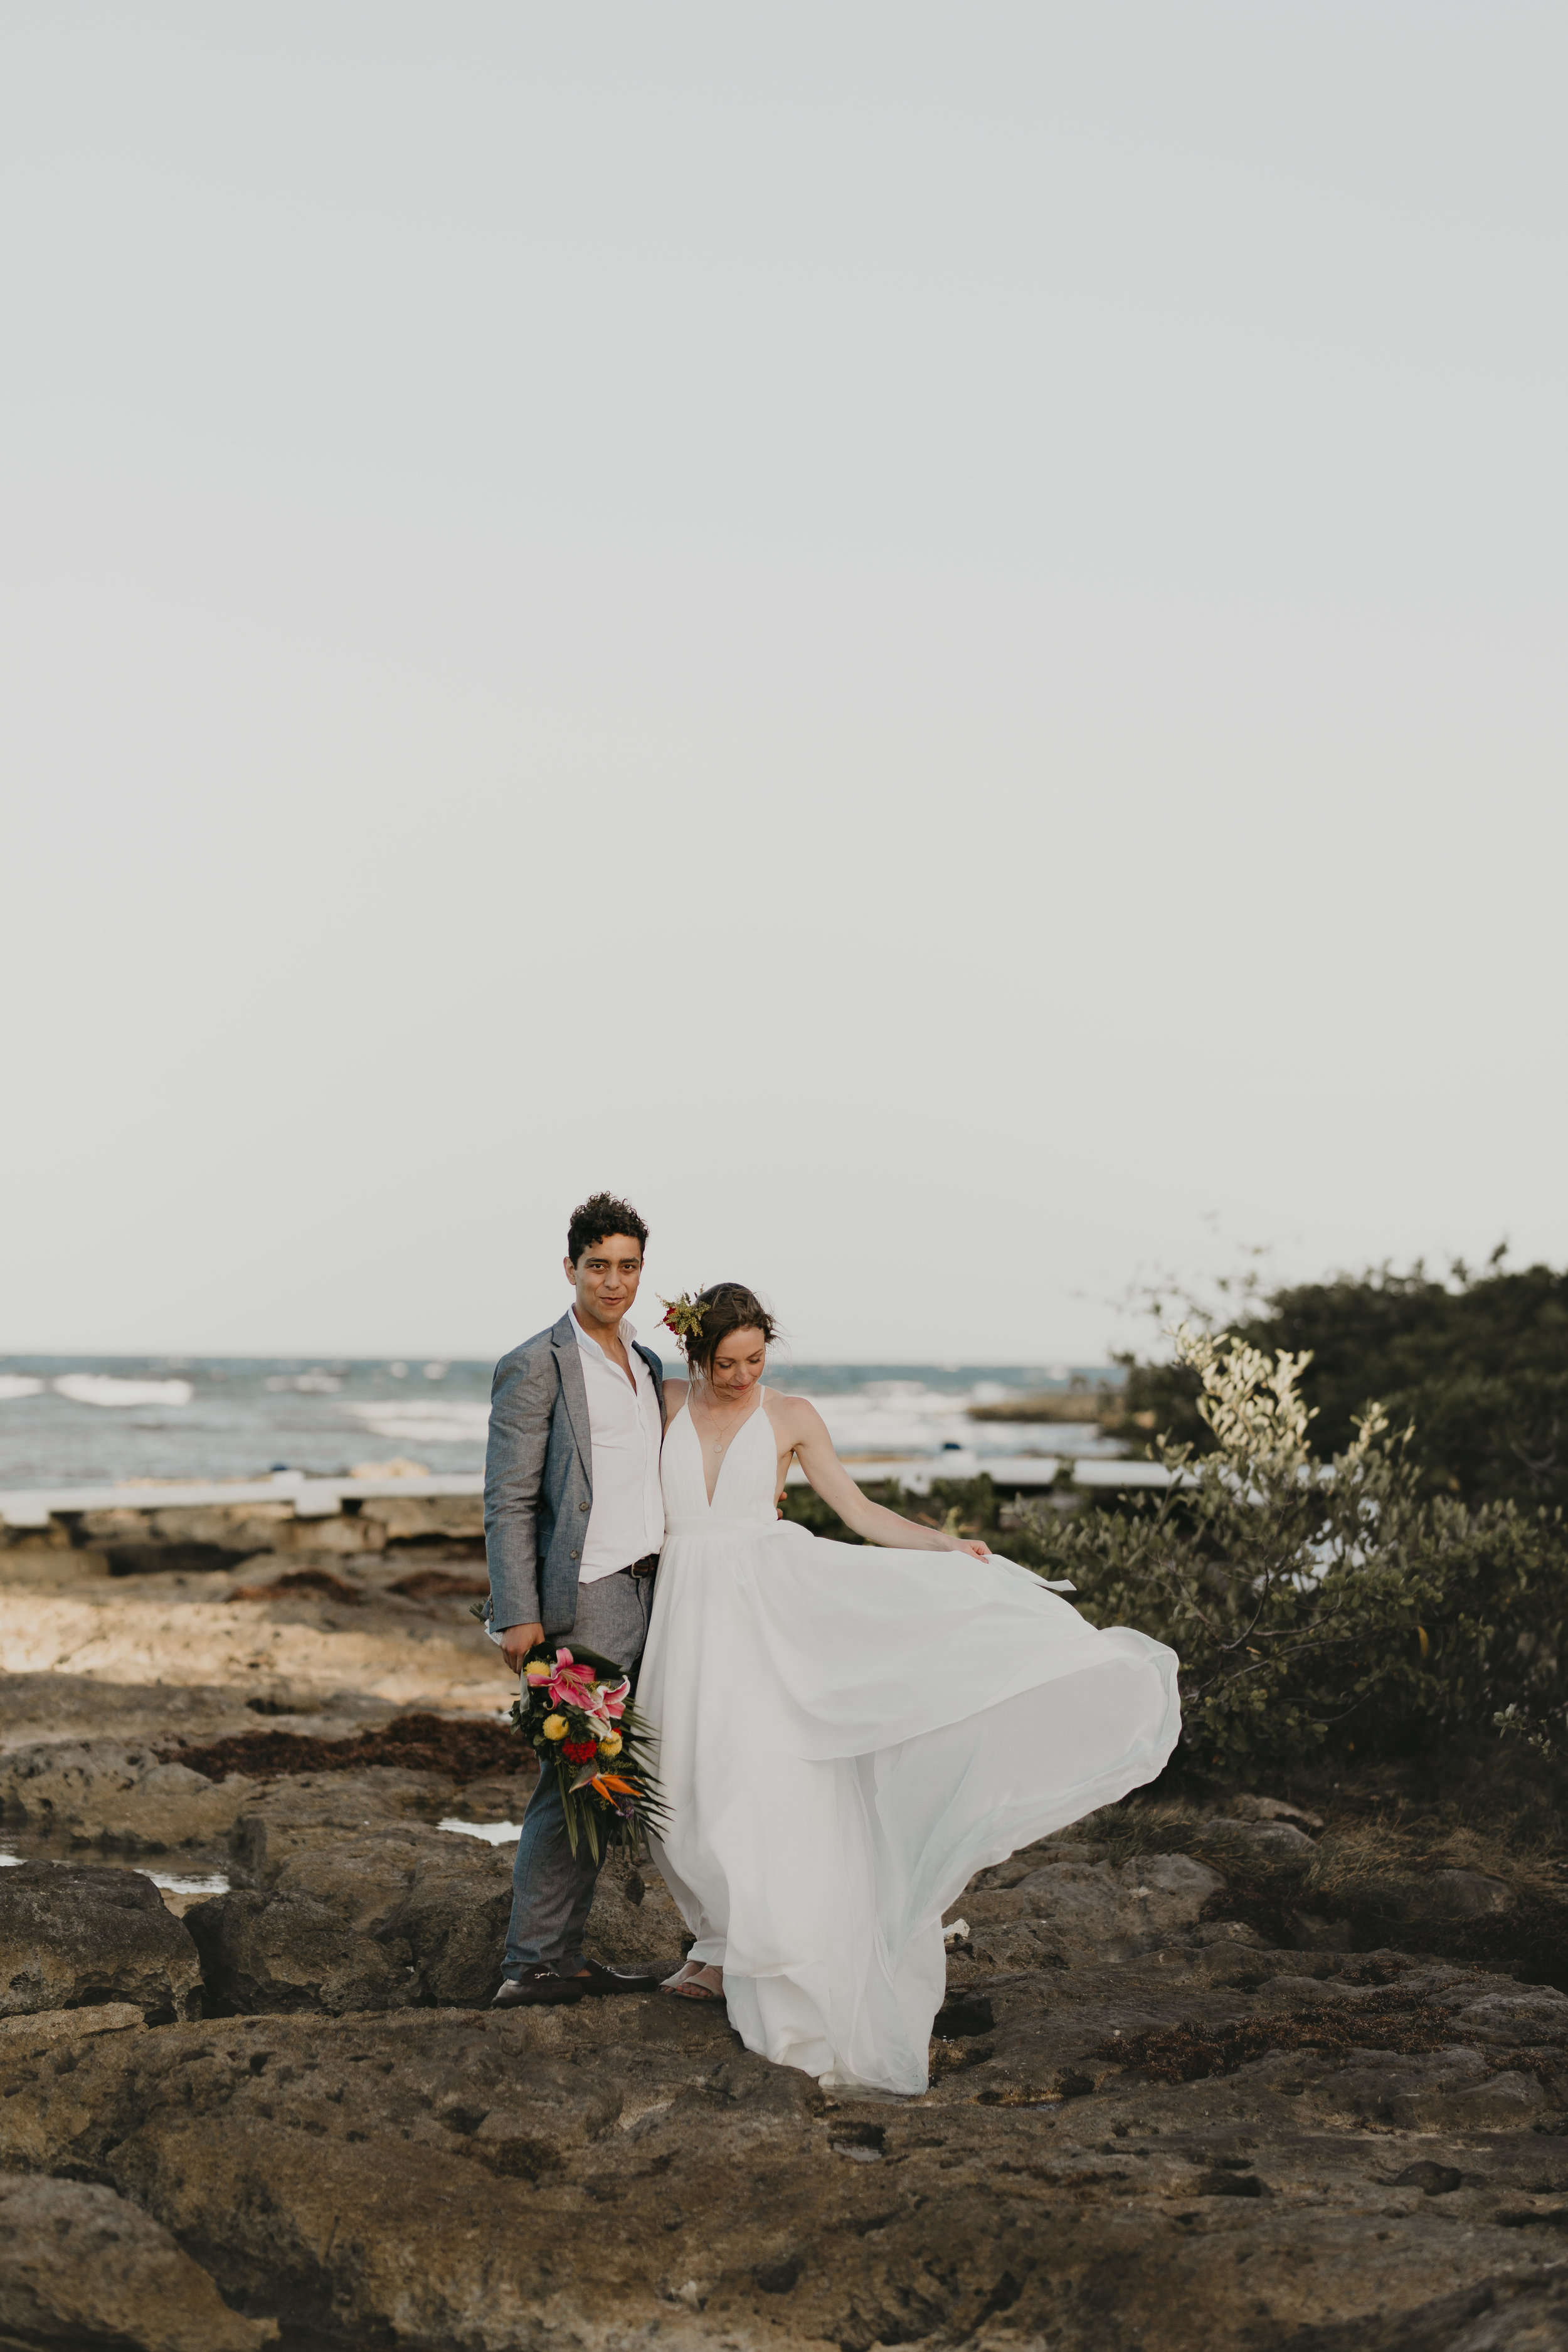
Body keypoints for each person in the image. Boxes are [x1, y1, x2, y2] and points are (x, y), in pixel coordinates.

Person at [638, 1281, 1182, 2095]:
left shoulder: (792, 1418)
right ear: (694, 1352)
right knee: (675, 1787)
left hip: (763, 1616)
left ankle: (748, 1952)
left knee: (752, 1779)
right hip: (682, 1613)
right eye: (727, 1362)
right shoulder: (664, 1401)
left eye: (755, 1359)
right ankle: (717, 1940)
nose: (743, 1375)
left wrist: (940, 1546)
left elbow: (855, 1509)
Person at [482, 1192, 669, 2007]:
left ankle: (561, 1952)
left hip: (652, 1590)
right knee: (572, 1777)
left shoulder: (649, 1364)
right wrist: (516, 1610)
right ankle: (532, 1963)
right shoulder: (538, 1362)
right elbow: (509, 1497)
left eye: (628, 1265)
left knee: (611, 1780)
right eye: (600, 1265)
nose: (614, 1280)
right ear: (572, 1268)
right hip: (582, 1598)